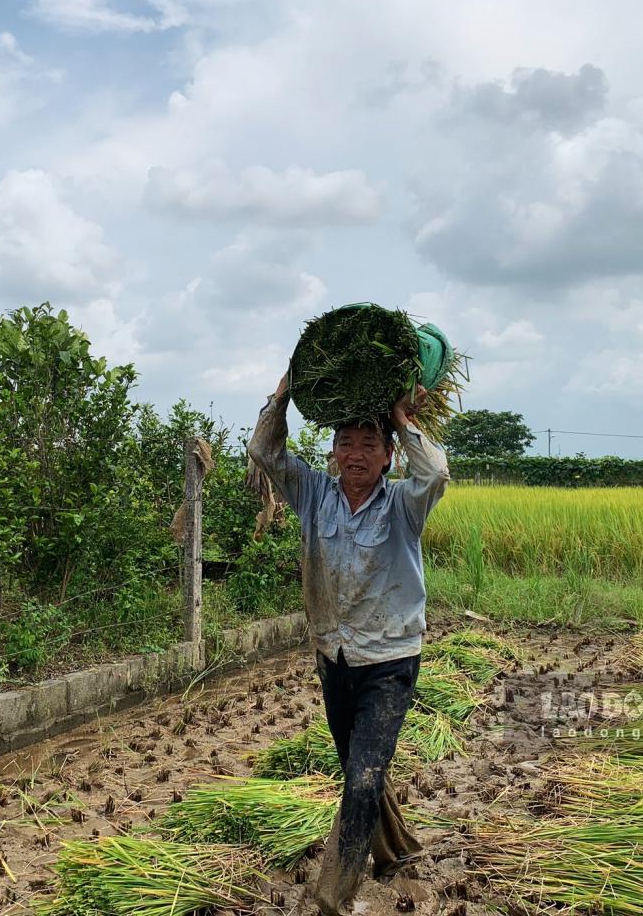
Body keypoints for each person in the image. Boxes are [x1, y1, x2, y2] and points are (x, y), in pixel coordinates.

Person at [248, 371, 451, 915]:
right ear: (333, 453)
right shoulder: (313, 494)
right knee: (362, 769)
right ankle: (398, 851)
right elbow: (263, 451)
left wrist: (404, 421)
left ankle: (333, 895)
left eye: (369, 445)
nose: (355, 454)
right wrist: (284, 394)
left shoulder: (405, 505)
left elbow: (436, 472)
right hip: (333, 655)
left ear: (388, 457)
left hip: (389, 660)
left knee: (362, 776)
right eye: (346, 444)